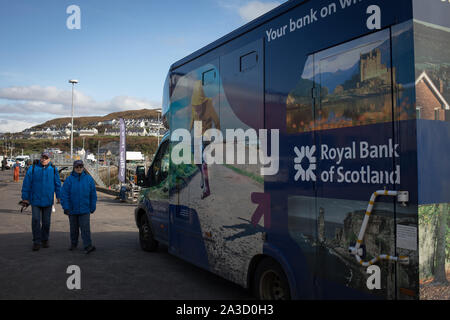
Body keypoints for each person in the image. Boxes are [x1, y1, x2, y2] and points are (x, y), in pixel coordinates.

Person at [21, 152, 61, 251]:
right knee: (35, 221)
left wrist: (59, 197)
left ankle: (45, 239)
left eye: (46, 158)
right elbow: (26, 184)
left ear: (50, 159)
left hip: (48, 200)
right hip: (35, 200)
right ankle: (36, 241)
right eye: (42, 157)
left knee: (46, 222)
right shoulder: (33, 168)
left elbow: (57, 184)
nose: (44, 159)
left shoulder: (53, 169)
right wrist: (25, 198)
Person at [189, 80, 221, 199]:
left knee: (204, 161)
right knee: (197, 160)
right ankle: (202, 174)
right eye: (195, 106)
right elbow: (192, 119)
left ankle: (207, 188)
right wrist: (188, 130)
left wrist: (217, 135)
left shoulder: (209, 106)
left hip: (206, 134)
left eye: (198, 106)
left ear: (202, 102)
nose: (196, 108)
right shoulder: (194, 108)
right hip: (197, 133)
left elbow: (217, 121)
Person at [61, 160, 97, 254]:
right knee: (74, 229)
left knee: (85, 229)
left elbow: (93, 194)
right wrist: (66, 207)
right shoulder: (69, 180)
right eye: (77, 167)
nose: (79, 168)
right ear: (74, 168)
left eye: (80, 166)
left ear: (83, 167)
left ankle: (88, 246)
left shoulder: (89, 179)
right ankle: (73, 244)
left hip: (85, 209)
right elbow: (64, 195)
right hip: (72, 210)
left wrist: (92, 206)